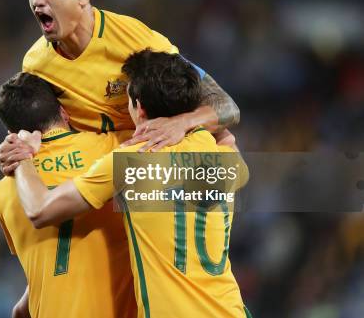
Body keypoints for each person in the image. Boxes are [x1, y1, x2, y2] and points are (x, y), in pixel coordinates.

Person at [13, 50, 251, 318]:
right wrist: (188, 120)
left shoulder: (132, 161)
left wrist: (22, 155)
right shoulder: (224, 157)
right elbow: (227, 136)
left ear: (139, 108)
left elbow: (40, 210)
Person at [0, 0, 240, 175]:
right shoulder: (36, 64)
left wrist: (181, 123)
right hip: (103, 172)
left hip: (159, 161)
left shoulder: (136, 41)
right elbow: (39, 131)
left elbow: (226, 107)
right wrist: (16, 147)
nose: (38, 0)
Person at [0, 72, 137, 318]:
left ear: (12, 134)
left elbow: (50, 262)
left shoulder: (3, 192)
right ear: (65, 112)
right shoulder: (112, 147)